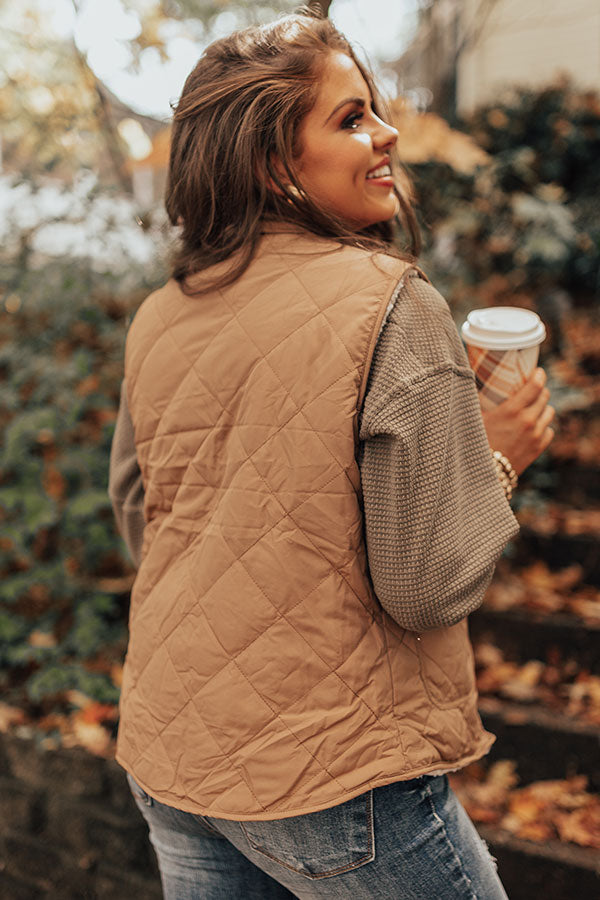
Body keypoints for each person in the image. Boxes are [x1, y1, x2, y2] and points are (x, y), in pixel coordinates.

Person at [109, 11, 555, 899]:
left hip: (173, 750)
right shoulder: (392, 302)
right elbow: (427, 586)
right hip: (333, 774)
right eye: (351, 118)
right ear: (275, 163)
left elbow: (140, 519)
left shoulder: (167, 311)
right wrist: (495, 456)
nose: (387, 132)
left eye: (375, 111)